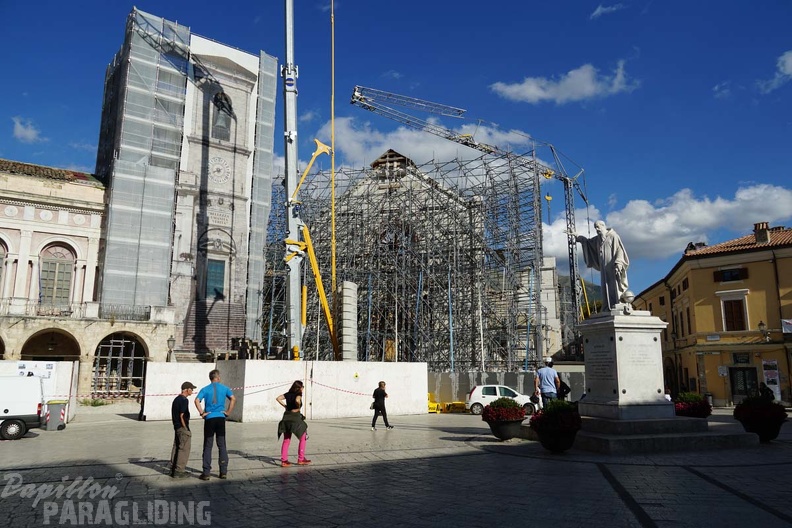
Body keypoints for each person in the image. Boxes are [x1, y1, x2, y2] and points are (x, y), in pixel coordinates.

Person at [571, 220, 630, 310]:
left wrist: (619, 262)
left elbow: (619, 250)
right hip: (604, 268)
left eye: (598, 227)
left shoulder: (613, 236)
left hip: (613, 266)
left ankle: (617, 303)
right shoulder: (598, 239)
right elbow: (587, 242)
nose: (597, 229)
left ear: (603, 226)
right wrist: (577, 236)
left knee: (614, 285)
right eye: (595, 228)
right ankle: (608, 305)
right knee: (605, 287)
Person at [194, 369, 235, 481]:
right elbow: (233, 399)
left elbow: (197, 400)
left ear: (210, 378)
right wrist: (228, 412)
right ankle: (223, 472)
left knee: (208, 445)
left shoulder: (205, 389)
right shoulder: (225, 388)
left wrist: (202, 413)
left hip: (210, 418)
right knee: (221, 445)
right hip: (220, 418)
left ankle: (206, 472)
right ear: (218, 377)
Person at [276, 380, 311, 467]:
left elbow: (278, 398)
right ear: (299, 388)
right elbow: (297, 399)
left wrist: (285, 406)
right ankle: (301, 459)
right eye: (302, 387)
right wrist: (297, 403)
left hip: (286, 417)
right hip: (295, 418)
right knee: (303, 437)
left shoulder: (288, 394)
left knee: (286, 440)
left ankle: (284, 461)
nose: (303, 389)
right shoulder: (298, 394)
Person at [170, 381, 196, 478]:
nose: (192, 391)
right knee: (184, 449)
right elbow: (182, 415)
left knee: (176, 446)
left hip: (176, 427)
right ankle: (179, 471)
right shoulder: (184, 400)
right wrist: (185, 427)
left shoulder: (176, 399)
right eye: (191, 389)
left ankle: (173, 468)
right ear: (186, 389)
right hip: (182, 428)